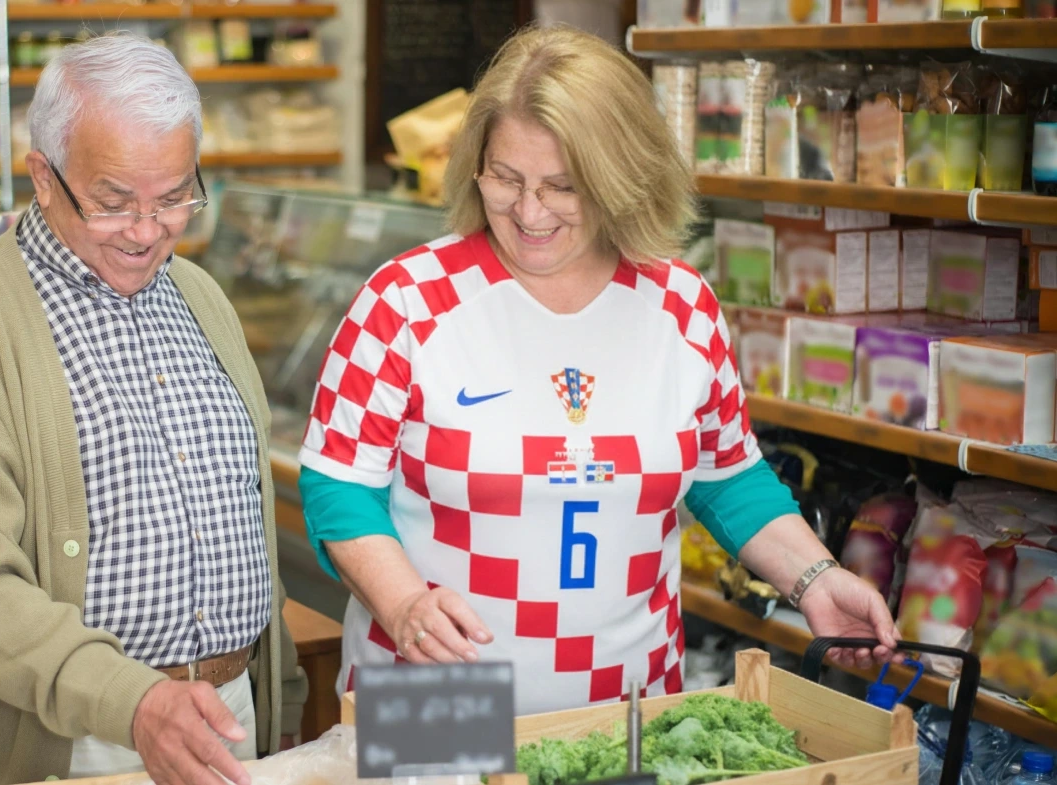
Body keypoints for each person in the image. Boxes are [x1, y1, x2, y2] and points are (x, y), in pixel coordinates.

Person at [297, 25, 899, 716]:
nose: (529, 211)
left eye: (563, 186)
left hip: (630, 707)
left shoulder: (680, 307)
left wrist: (816, 578)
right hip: (436, 704)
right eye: (506, 178)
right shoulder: (406, 300)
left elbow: (728, 476)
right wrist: (403, 602)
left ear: (621, 177)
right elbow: (338, 487)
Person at [0, 32, 306, 785]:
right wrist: (132, 700)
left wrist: (276, 691)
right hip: (69, 739)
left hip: (230, 716)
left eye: (174, 198)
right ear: (43, 178)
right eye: (114, 203)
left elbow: (242, 519)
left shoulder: (202, 298)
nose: (147, 232)